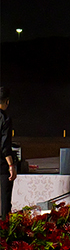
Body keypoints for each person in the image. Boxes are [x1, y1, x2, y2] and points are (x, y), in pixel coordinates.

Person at [0, 86, 15, 218]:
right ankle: (4, 232)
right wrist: (11, 165)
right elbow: (5, 146)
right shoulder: (5, 119)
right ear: (7, 102)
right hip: (1, 165)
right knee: (5, 200)